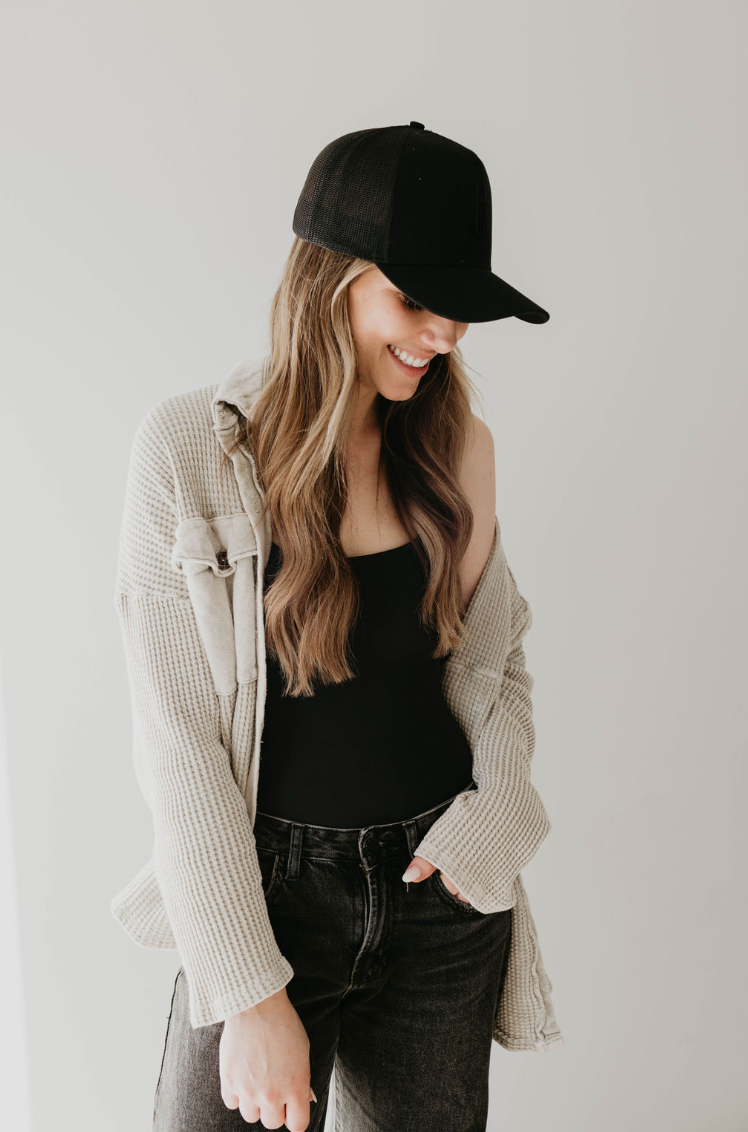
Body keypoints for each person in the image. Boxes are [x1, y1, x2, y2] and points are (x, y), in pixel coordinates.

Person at [111, 121, 563, 1132]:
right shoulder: (190, 451)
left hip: (438, 897)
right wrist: (248, 991)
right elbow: (177, 743)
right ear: (329, 283)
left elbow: (497, 668)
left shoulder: (460, 450)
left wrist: (495, 819)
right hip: (263, 895)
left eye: (460, 312)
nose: (443, 336)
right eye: (415, 302)